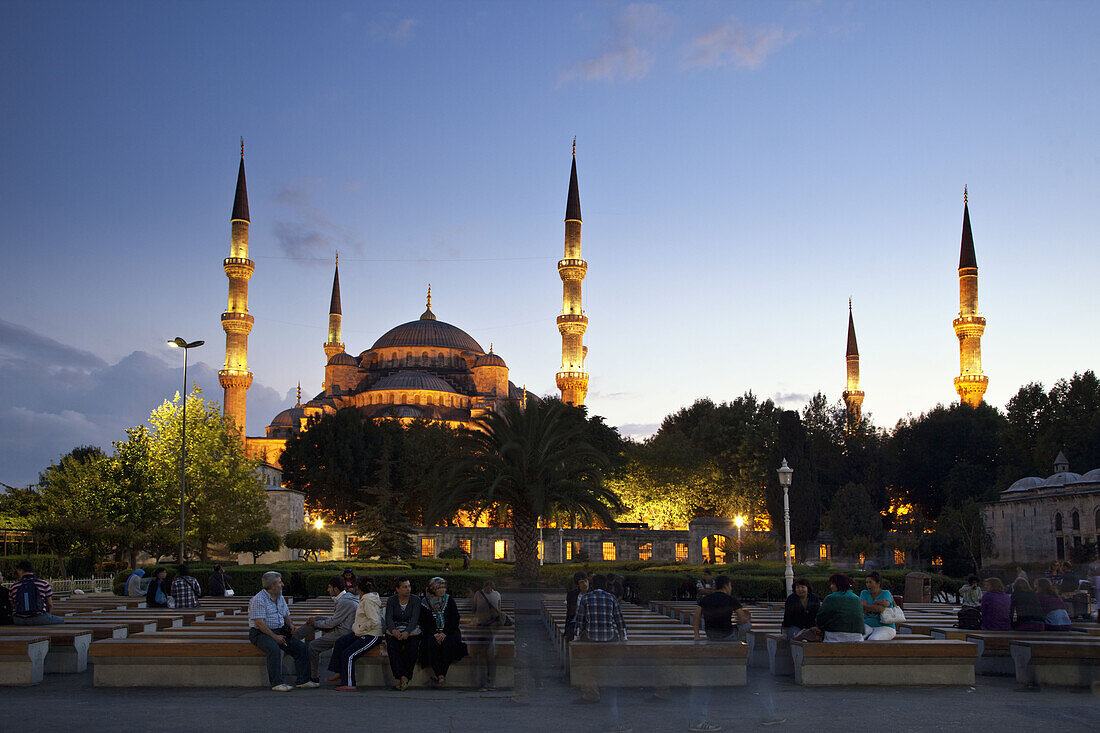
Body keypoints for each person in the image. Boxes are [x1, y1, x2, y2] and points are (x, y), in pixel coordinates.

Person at [573, 574, 628, 729]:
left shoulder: (586, 598)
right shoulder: (611, 598)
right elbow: (619, 620)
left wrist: (577, 637)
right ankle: (609, 686)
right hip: (609, 637)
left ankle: (591, 691)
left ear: (591, 584)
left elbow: (579, 620)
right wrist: (623, 637)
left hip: (591, 636)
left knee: (587, 664)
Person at [247, 571, 316, 691]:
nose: (282, 584)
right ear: (272, 586)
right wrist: (275, 637)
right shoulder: (258, 600)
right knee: (273, 649)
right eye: (280, 582)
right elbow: (259, 623)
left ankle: (303, 680)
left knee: (300, 647)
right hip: (261, 633)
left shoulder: (280, 597)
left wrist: (291, 625)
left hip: (279, 631)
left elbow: (286, 615)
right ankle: (276, 683)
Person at [295, 575, 358, 682]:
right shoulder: (346, 597)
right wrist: (316, 622)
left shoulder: (344, 601)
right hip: (342, 626)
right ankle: (295, 637)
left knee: (313, 646)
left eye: (329, 587)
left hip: (344, 632)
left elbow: (331, 623)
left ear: (336, 589)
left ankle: (312, 676)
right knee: (317, 619)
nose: (327, 590)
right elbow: (334, 620)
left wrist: (315, 623)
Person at [330, 576, 384, 691]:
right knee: (340, 642)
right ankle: (339, 671)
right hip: (361, 632)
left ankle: (349, 683)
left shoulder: (368, 601)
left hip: (371, 635)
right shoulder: (364, 598)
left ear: (358, 587)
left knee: (348, 654)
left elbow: (373, 620)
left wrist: (361, 628)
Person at [420, 576, 467, 686]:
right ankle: (440, 675)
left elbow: (455, 619)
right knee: (431, 645)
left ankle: (440, 675)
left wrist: (444, 633)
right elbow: (423, 621)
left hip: (448, 631)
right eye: (439, 588)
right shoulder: (424, 602)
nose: (442, 590)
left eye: (443, 588)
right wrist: (435, 633)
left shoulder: (449, 600)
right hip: (432, 632)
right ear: (433, 589)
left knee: (448, 645)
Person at [384, 577, 423, 690]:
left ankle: (406, 676)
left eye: (409, 586)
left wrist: (407, 632)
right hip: (395, 629)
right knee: (393, 648)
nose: (408, 589)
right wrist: (394, 631)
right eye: (405, 587)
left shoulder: (415, 600)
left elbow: (415, 618)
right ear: (397, 589)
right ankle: (400, 676)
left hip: (411, 630)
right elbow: (389, 618)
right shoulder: (392, 600)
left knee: (412, 649)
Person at [693, 574, 750, 642]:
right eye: (730, 585)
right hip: (727, 635)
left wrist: (697, 635)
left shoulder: (705, 599)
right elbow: (742, 619)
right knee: (747, 625)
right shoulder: (731, 599)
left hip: (710, 635)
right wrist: (748, 617)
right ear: (726, 586)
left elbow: (696, 616)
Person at [473, 578, 505, 690]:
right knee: (490, 654)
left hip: (481, 627)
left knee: (481, 654)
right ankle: (491, 681)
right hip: (492, 628)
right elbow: (499, 609)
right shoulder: (496, 595)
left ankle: (482, 682)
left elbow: (474, 608)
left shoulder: (478, 594)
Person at [9, 560, 64, 625]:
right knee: (61, 620)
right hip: (39, 618)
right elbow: (50, 604)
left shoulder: (14, 586)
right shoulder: (43, 584)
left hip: (19, 620)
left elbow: (12, 605)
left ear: (20, 570)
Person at [815, 574, 864, 642]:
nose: (830, 587)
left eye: (832, 584)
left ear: (838, 585)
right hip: (857, 637)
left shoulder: (830, 598)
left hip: (835, 637)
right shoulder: (857, 598)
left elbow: (821, 618)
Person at [860, 572, 897, 641]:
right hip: (867, 624)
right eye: (867, 582)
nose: (868, 585)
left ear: (878, 583)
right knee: (858, 638)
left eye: (870, 582)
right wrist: (877, 603)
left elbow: (880, 609)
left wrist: (868, 607)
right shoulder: (864, 593)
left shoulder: (885, 593)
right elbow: (862, 607)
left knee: (873, 639)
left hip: (885, 626)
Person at [565, 571, 589, 643]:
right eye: (581, 582)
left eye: (585, 581)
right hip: (574, 622)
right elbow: (570, 612)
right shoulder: (572, 595)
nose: (585, 584)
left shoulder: (592, 594)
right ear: (577, 585)